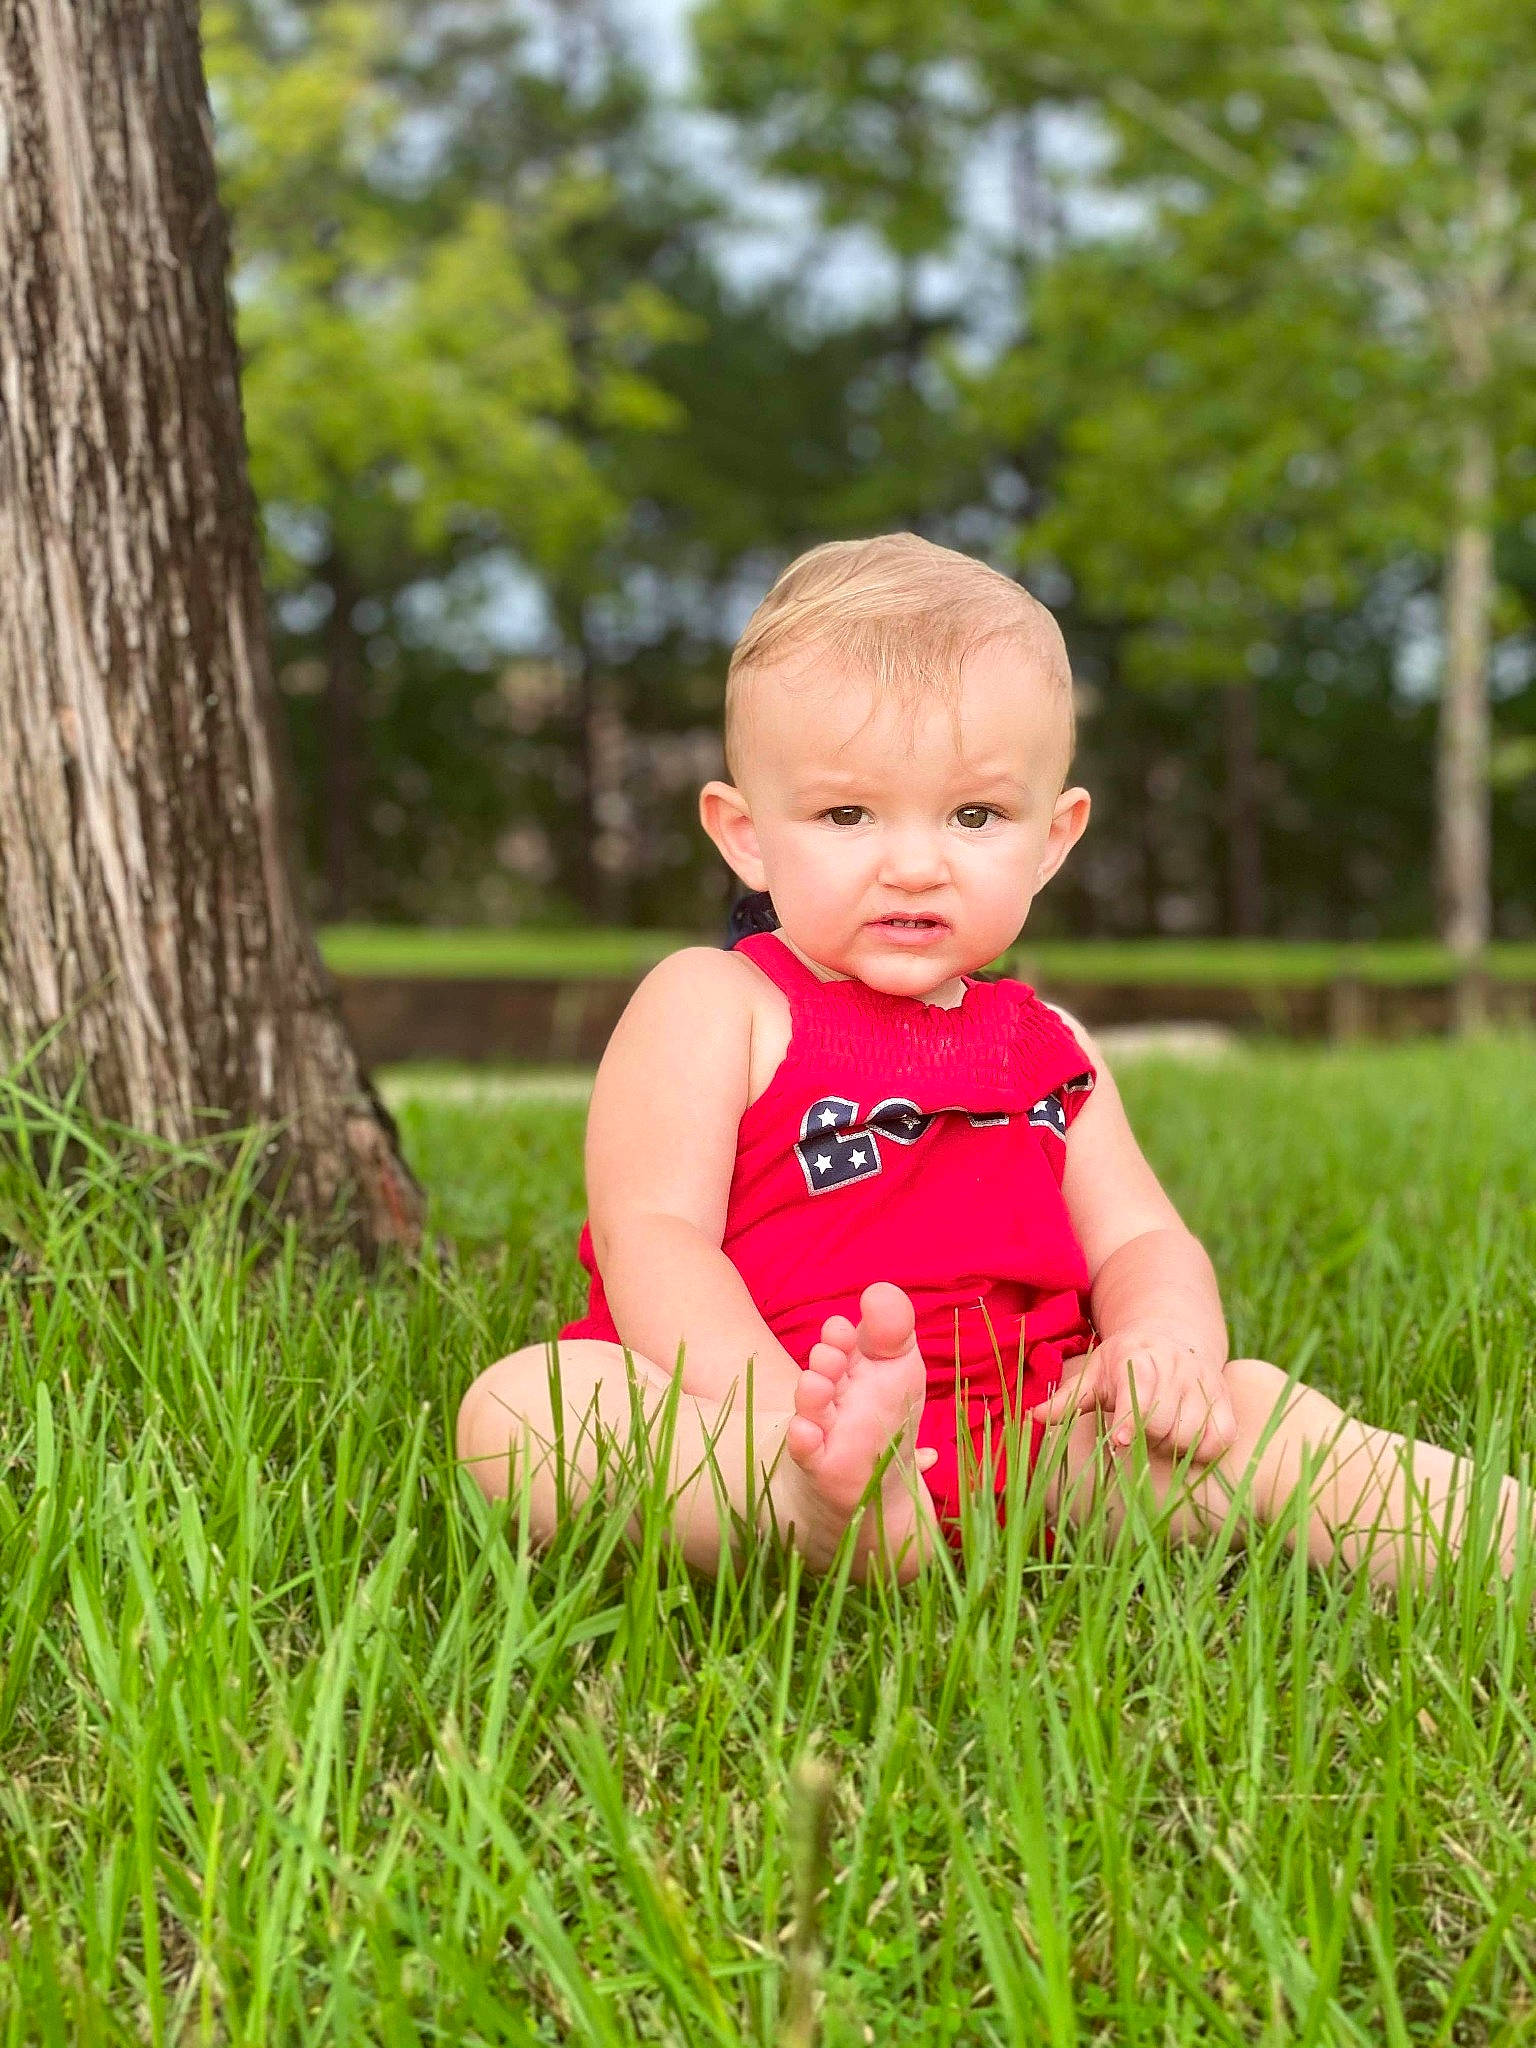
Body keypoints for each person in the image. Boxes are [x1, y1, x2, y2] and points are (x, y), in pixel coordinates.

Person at [458, 534, 1529, 1586]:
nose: (915, 862)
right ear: (745, 835)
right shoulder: (717, 1002)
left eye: (975, 814)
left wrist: (1162, 1341)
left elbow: (1143, 1236)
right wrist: (793, 1425)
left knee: (1257, 1410)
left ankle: (1504, 1540)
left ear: (1053, 838)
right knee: (527, 1409)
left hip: (1037, 1437)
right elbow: (653, 1238)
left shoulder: (1049, 1049)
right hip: (756, 1429)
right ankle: (831, 1517)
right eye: (846, 813)